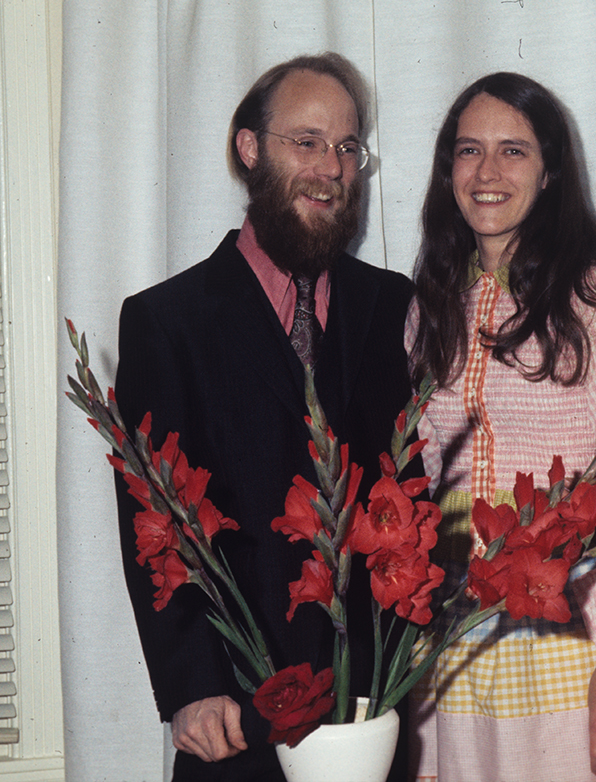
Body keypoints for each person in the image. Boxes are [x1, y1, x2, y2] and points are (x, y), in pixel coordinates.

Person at [114, 53, 414, 782]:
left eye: (348, 147)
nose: (332, 168)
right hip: (233, 718)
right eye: (307, 141)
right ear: (249, 148)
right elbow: (151, 515)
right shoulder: (166, 321)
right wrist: (189, 683)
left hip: (371, 713)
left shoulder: (392, 305)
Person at [405, 72, 596, 781]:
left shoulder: (591, 297)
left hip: (570, 635)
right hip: (459, 643)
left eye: (514, 150)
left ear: (549, 172)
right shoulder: (429, 309)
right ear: (448, 170)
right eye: (469, 150)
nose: (487, 172)